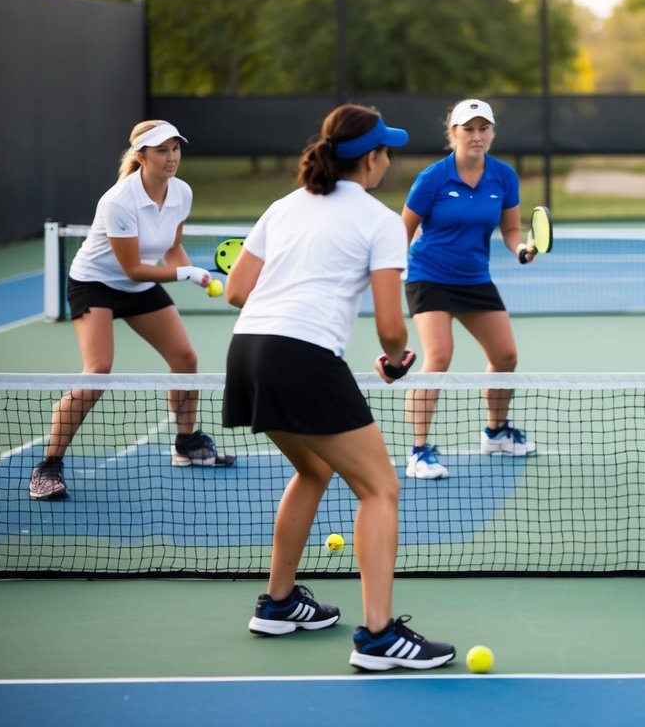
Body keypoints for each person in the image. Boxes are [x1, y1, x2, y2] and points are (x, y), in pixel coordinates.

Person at [222, 104, 455, 670]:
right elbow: (391, 326)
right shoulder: (379, 221)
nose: (389, 159)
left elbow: (235, 291)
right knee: (380, 489)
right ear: (371, 159)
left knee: (315, 468)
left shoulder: (283, 207)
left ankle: (278, 604)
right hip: (301, 358)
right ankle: (377, 636)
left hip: (247, 352)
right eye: (386, 151)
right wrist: (398, 358)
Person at [29, 121, 233, 501]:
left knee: (185, 358)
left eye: (175, 148)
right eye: (161, 150)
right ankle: (48, 467)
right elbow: (133, 267)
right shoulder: (118, 201)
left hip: (139, 287)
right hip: (96, 284)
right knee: (98, 371)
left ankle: (186, 443)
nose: (171, 157)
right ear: (141, 156)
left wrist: (194, 275)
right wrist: (186, 272)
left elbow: (171, 248)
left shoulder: (181, 193)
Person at [399, 98, 537, 480]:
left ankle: (495, 433)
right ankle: (418, 452)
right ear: (454, 133)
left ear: (492, 132)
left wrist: (520, 248)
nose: (477, 136)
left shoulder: (504, 176)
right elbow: (404, 228)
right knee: (439, 356)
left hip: (475, 278)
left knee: (505, 355)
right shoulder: (433, 178)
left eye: (483, 128)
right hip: (429, 275)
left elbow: (510, 229)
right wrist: (394, 267)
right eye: (469, 129)